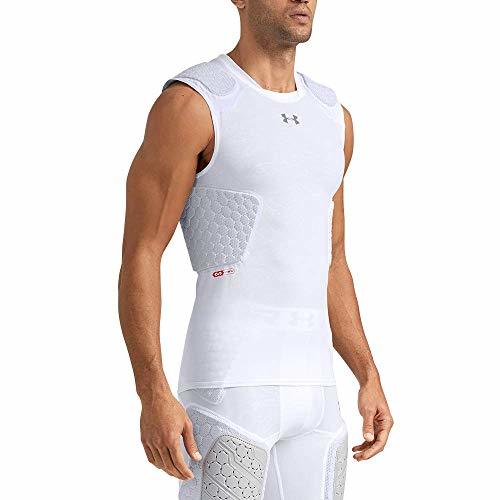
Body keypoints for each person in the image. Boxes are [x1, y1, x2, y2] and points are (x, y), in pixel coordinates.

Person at [118, 1, 393, 498]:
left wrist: (367, 374)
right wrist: (152, 391)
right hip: (228, 393)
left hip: (318, 398)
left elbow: (332, 260)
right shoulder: (194, 103)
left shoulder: (333, 118)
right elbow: (142, 253)